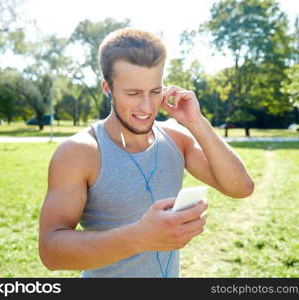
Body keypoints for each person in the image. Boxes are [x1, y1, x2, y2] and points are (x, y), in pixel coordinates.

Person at [38, 28, 254, 278]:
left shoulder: (177, 138)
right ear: (107, 88)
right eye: (133, 93)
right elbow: (50, 252)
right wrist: (140, 238)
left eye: (155, 91)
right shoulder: (79, 152)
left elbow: (241, 188)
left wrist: (197, 122)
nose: (147, 107)